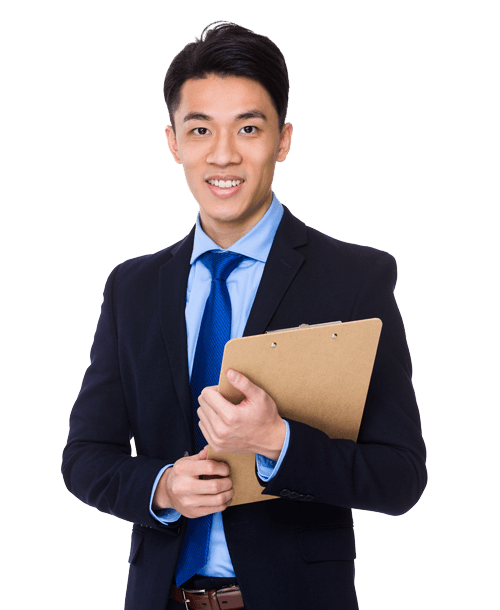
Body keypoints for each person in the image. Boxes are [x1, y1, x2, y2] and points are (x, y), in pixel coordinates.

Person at [62, 21, 427, 610]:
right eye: (200, 129)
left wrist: (277, 441)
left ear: (283, 139)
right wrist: (162, 487)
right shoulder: (132, 288)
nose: (224, 154)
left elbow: (400, 476)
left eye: (249, 128)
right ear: (173, 142)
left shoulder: (353, 280)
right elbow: (84, 457)